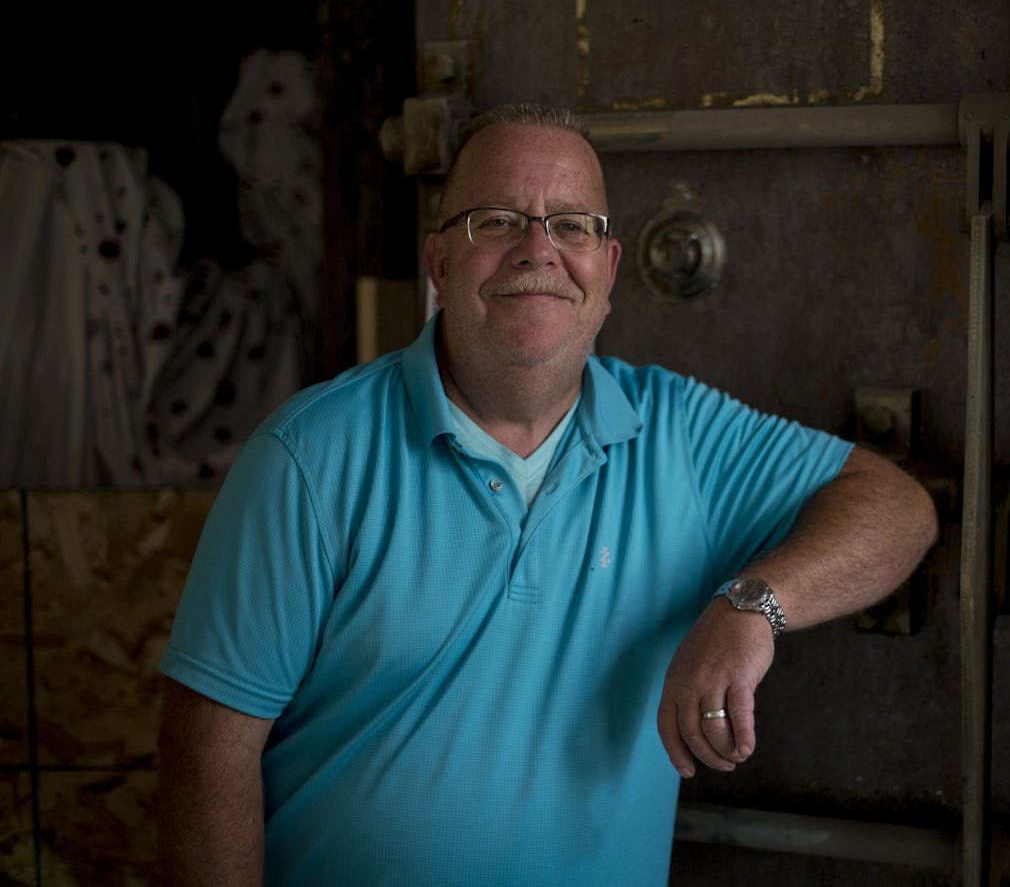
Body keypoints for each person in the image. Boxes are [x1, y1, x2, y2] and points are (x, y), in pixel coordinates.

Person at [157, 103, 938, 886]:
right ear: (437, 263)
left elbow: (897, 507)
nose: (539, 249)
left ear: (609, 270)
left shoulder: (680, 437)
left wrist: (754, 603)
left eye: (572, 224)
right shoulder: (308, 459)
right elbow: (207, 751)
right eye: (496, 220)